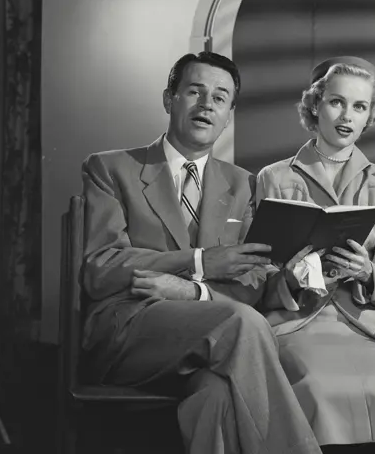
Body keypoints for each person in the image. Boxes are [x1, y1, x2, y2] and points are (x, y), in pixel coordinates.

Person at [80, 51, 322, 454]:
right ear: (168, 99)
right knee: (243, 323)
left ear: (228, 114)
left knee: (215, 395)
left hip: (211, 339)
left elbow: (253, 277)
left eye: (220, 97)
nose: (207, 104)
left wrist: (193, 293)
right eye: (195, 91)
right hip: (129, 332)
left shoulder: (242, 184)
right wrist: (199, 262)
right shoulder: (110, 168)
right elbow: (100, 267)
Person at [256, 57, 375, 453]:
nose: (347, 116)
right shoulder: (274, 177)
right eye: (336, 102)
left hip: (361, 324)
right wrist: (289, 278)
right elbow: (255, 270)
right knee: (318, 385)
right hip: (296, 322)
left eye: (359, 107)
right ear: (314, 105)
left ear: (369, 116)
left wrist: (366, 273)